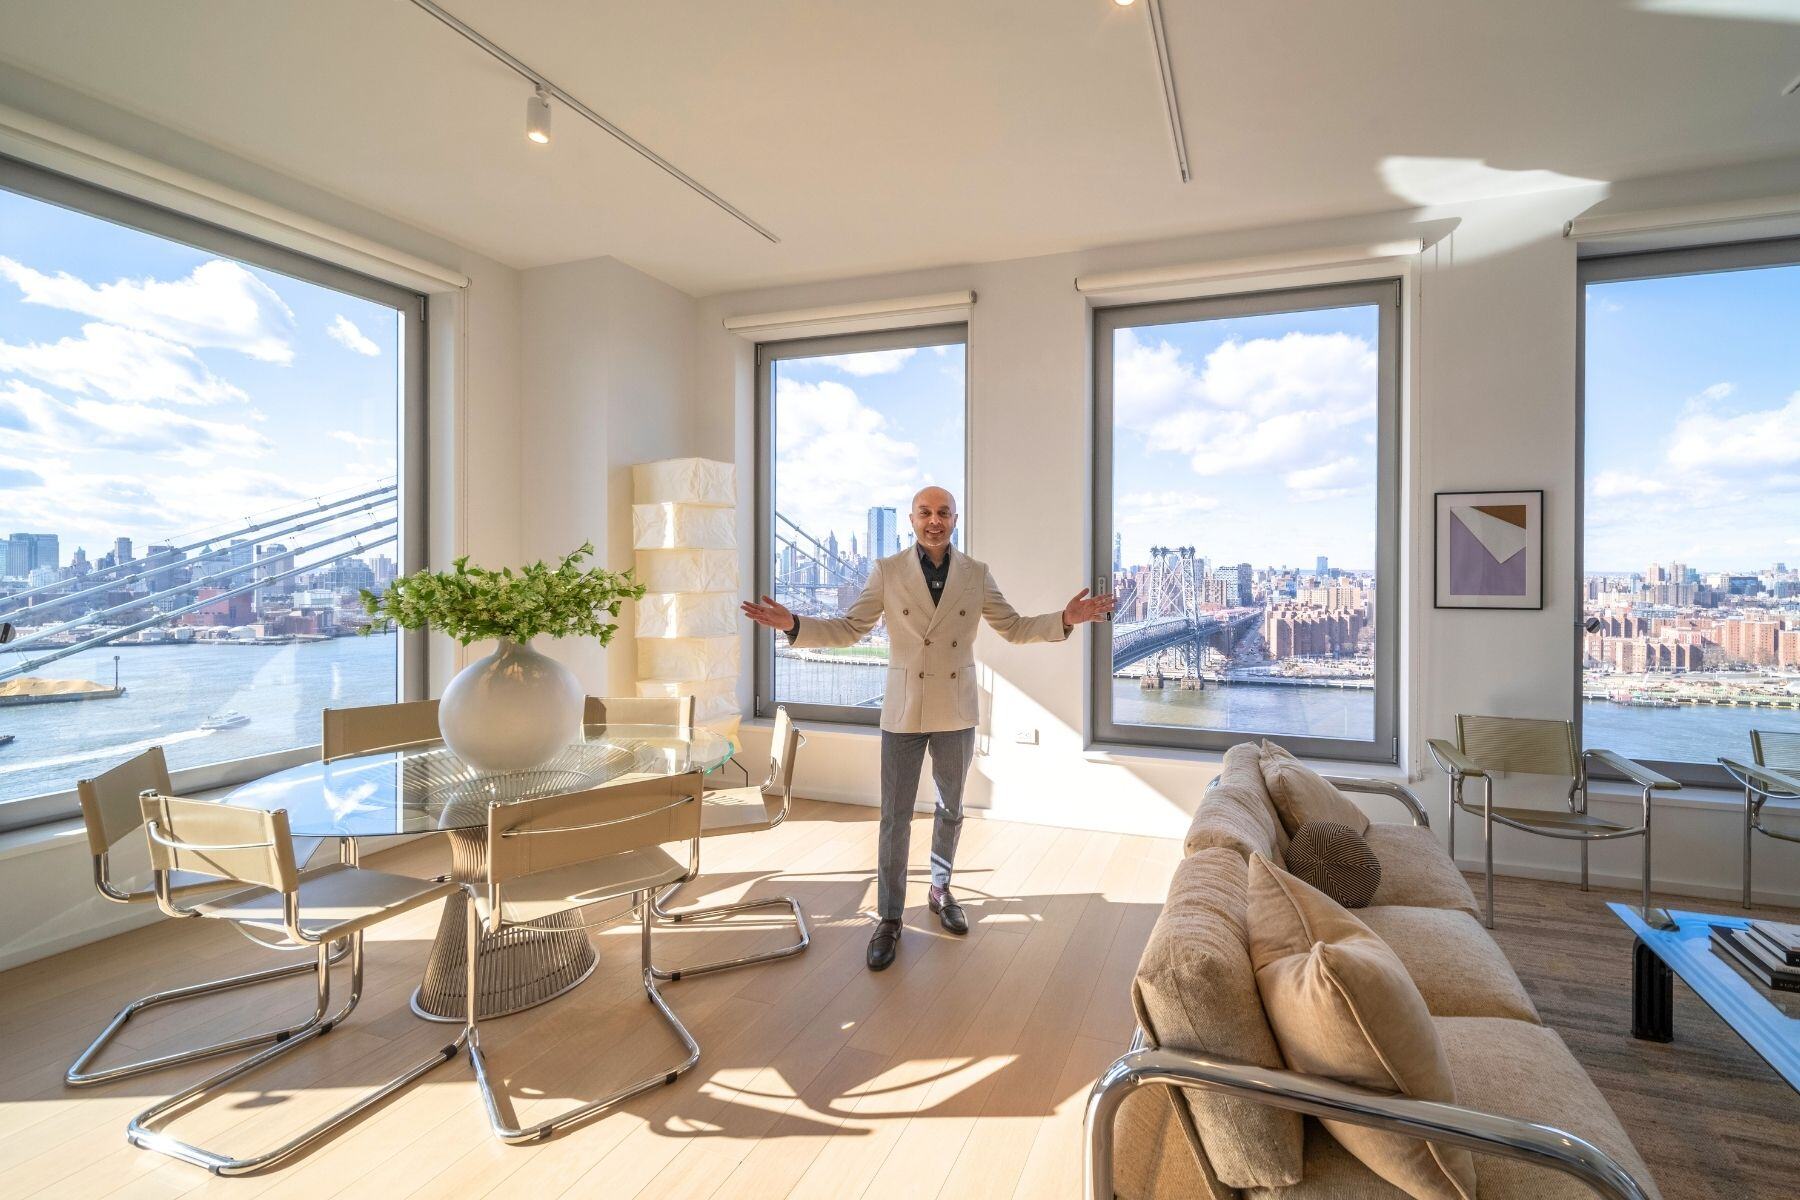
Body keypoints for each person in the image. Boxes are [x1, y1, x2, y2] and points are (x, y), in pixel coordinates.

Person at [741, 486, 1114, 970]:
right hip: (904, 708)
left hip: (955, 709)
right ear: (911, 519)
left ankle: (940, 890)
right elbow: (851, 628)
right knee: (894, 817)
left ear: (955, 519)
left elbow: (1015, 627)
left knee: (951, 808)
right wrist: (794, 624)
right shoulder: (887, 571)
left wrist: (1065, 618)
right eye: (925, 513)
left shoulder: (975, 574)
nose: (933, 521)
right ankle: (891, 918)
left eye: (942, 513)